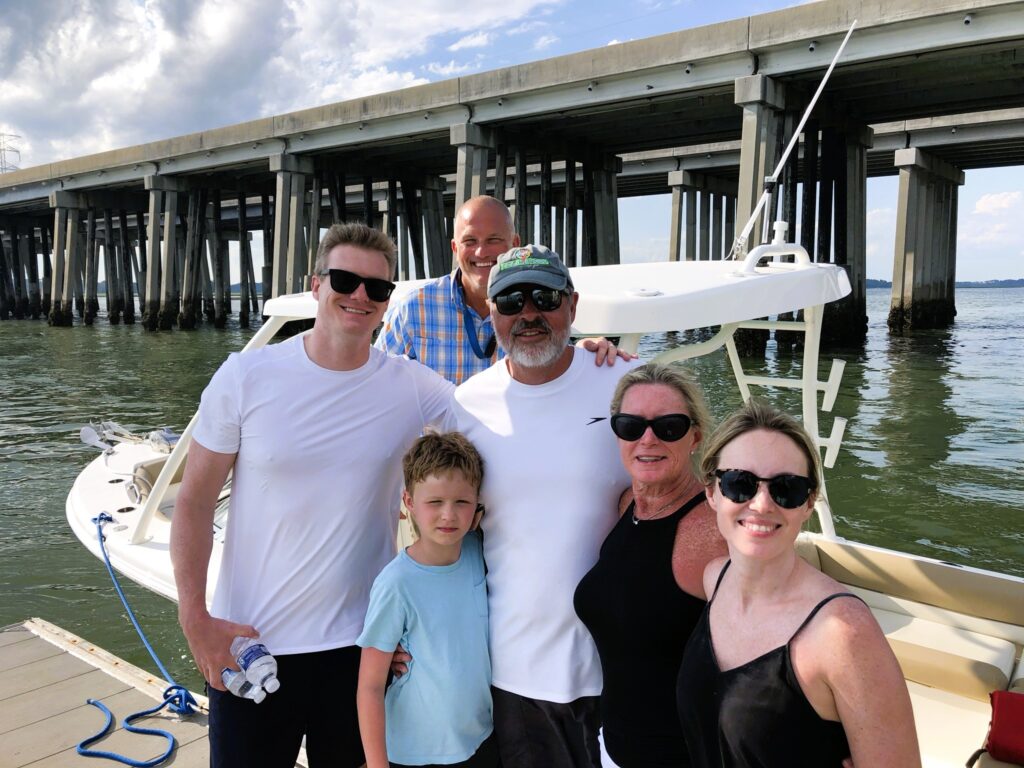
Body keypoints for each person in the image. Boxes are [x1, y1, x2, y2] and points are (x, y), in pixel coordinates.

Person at [170, 223, 453, 768]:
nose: (361, 296)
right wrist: (195, 619)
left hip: (361, 649)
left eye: (378, 288)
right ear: (316, 284)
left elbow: (496, 411)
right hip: (251, 645)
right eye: (346, 279)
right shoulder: (247, 375)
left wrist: (586, 357)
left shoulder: (412, 387)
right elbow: (194, 501)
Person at [446, 243, 643, 768]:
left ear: (572, 306)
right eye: (509, 301)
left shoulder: (627, 384)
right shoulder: (464, 406)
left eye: (544, 296)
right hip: (514, 672)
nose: (527, 312)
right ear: (491, 312)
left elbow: (687, 491)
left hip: (623, 665)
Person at [676, 399, 921, 768]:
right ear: (712, 492)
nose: (761, 504)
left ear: (808, 504)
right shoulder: (715, 579)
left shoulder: (843, 633)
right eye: (739, 483)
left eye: (786, 489)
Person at [574, 363, 727, 767]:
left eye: (669, 427)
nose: (648, 438)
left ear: (695, 436)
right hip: (614, 745)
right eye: (630, 425)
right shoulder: (627, 505)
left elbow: (770, 649)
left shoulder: (716, 529)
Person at [375, 195, 628, 384]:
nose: (481, 252)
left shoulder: (539, 304)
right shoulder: (413, 310)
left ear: (514, 243)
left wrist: (585, 351)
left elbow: (558, 355)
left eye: (494, 240)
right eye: (470, 241)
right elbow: (375, 382)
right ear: (455, 248)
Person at [356, 430, 497, 768]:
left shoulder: (482, 553)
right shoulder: (396, 584)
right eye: (435, 502)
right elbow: (370, 686)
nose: (448, 515)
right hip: (414, 752)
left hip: (480, 739)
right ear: (409, 503)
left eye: (461, 502)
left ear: (476, 504)